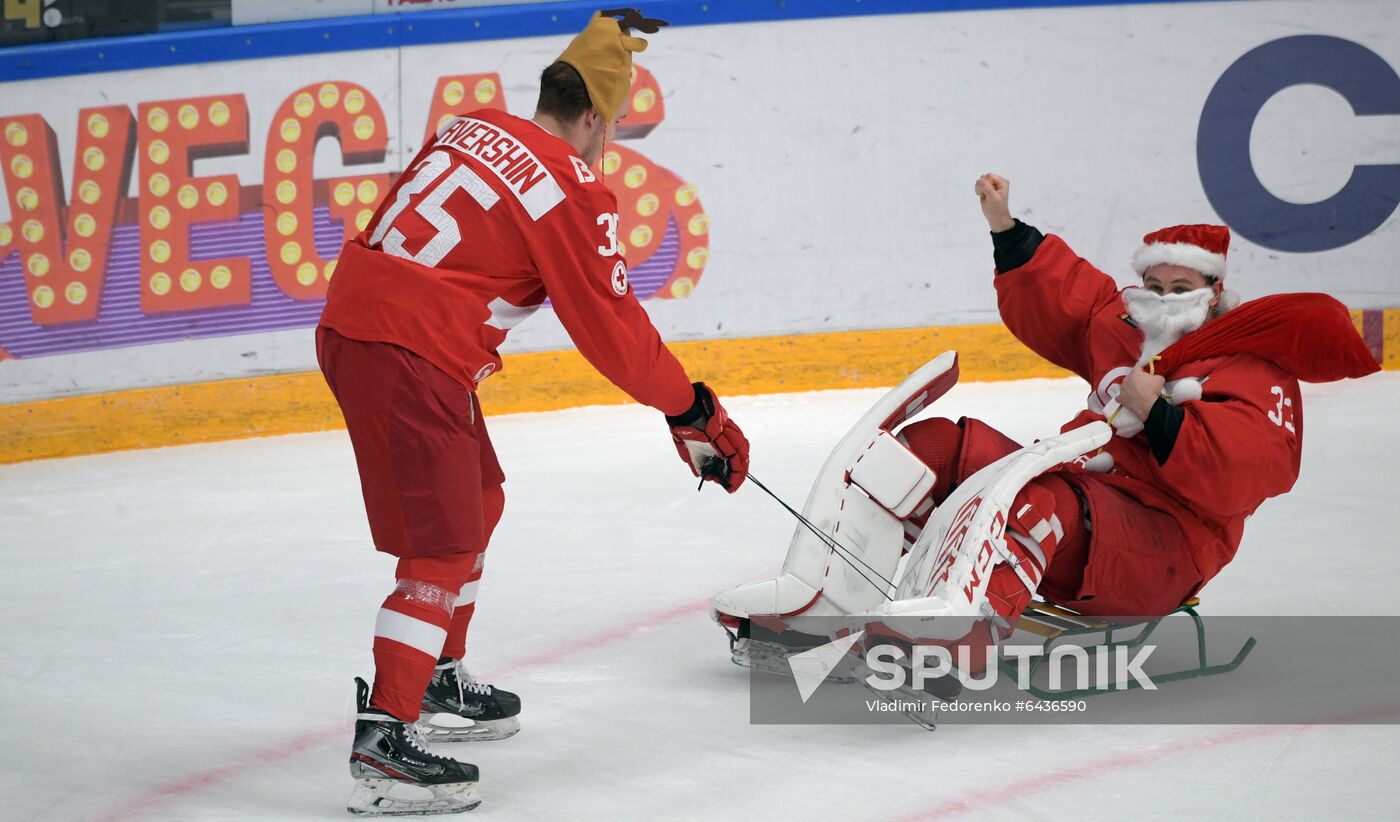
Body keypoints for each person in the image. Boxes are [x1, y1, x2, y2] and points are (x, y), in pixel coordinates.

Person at [318, 9, 749, 816]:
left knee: (479, 500)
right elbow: (614, 332)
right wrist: (692, 409)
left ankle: (438, 674)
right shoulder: (571, 189)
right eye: (611, 128)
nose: (606, 142)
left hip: (360, 328)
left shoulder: (472, 125)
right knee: (443, 547)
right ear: (594, 119)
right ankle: (385, 737)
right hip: (411, 353)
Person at [879, 172, 1378, 666]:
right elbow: (1066, 296)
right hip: (1083, 503)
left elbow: (1243, 469)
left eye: (1180, 288)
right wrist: (1004, 226)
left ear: (1215, 289)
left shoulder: (1252, 366)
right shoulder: (1127, 327)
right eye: (1153, 286)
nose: (1163, 300)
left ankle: (956, 645)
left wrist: (1155, 412)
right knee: (934, 448)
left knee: (1034, 503)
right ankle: (852, 599)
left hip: (1164, 549)